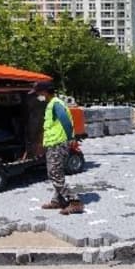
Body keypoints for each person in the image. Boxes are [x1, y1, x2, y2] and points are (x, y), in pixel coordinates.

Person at [32, 81, 84, 215]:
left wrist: (70, 138)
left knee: (54, 173)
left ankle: (75, 202)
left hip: (58, 143)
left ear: (44, 92)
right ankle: (58, 201)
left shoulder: (56, 104)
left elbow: (65, 120)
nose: (37, 96)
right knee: (57, 172)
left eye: (38, 93)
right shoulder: (51, 104)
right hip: (54, 143)